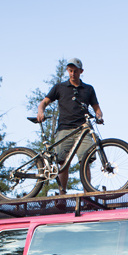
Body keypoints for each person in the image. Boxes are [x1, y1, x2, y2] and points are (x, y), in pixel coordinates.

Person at [37, 58, 103, 194]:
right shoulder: (59, 87)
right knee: (63, 163)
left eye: (76, 71)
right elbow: (43, 102)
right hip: (64, 129)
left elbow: (97, 108)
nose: (73, 74)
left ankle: (88, 193)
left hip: (83, 129)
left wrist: (99, 115)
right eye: (70, 71)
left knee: (85, 161)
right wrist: (40, 111)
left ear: (81, 71)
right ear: (68, 71)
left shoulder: (88, 89)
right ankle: (62, 194)